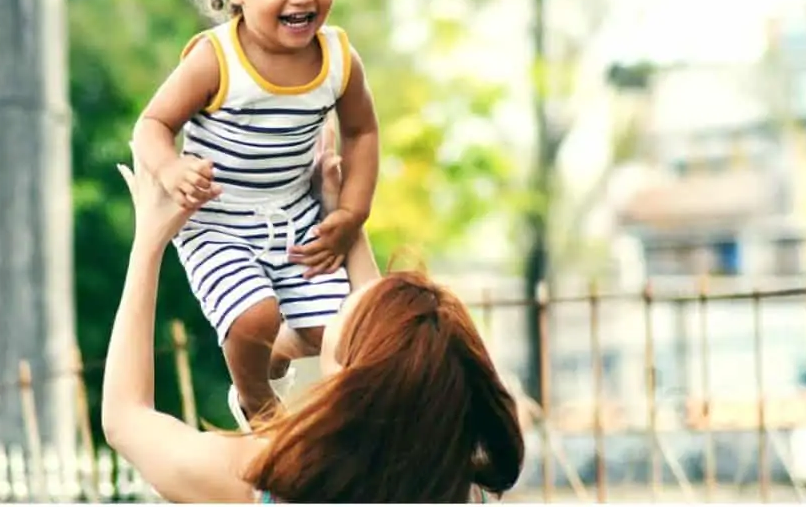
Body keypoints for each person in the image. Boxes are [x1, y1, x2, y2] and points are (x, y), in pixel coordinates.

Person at [101, 131, 525, 503]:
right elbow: (390, 353)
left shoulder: (265, 481)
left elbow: (126, 419)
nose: (341, 299)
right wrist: (340, 217)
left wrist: (149, 241)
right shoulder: (457, 487)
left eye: (342, 312)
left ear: (346, 378)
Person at [130, 0, 379, 431]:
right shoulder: (217, 60)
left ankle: (280, 355)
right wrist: (171, 169)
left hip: (295, 217)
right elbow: (151, 124)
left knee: (334, 334)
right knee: (253, 318)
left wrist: (351, 213)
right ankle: (257, 405)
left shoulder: (339, 60)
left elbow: (363, 133)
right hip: (218, 219)